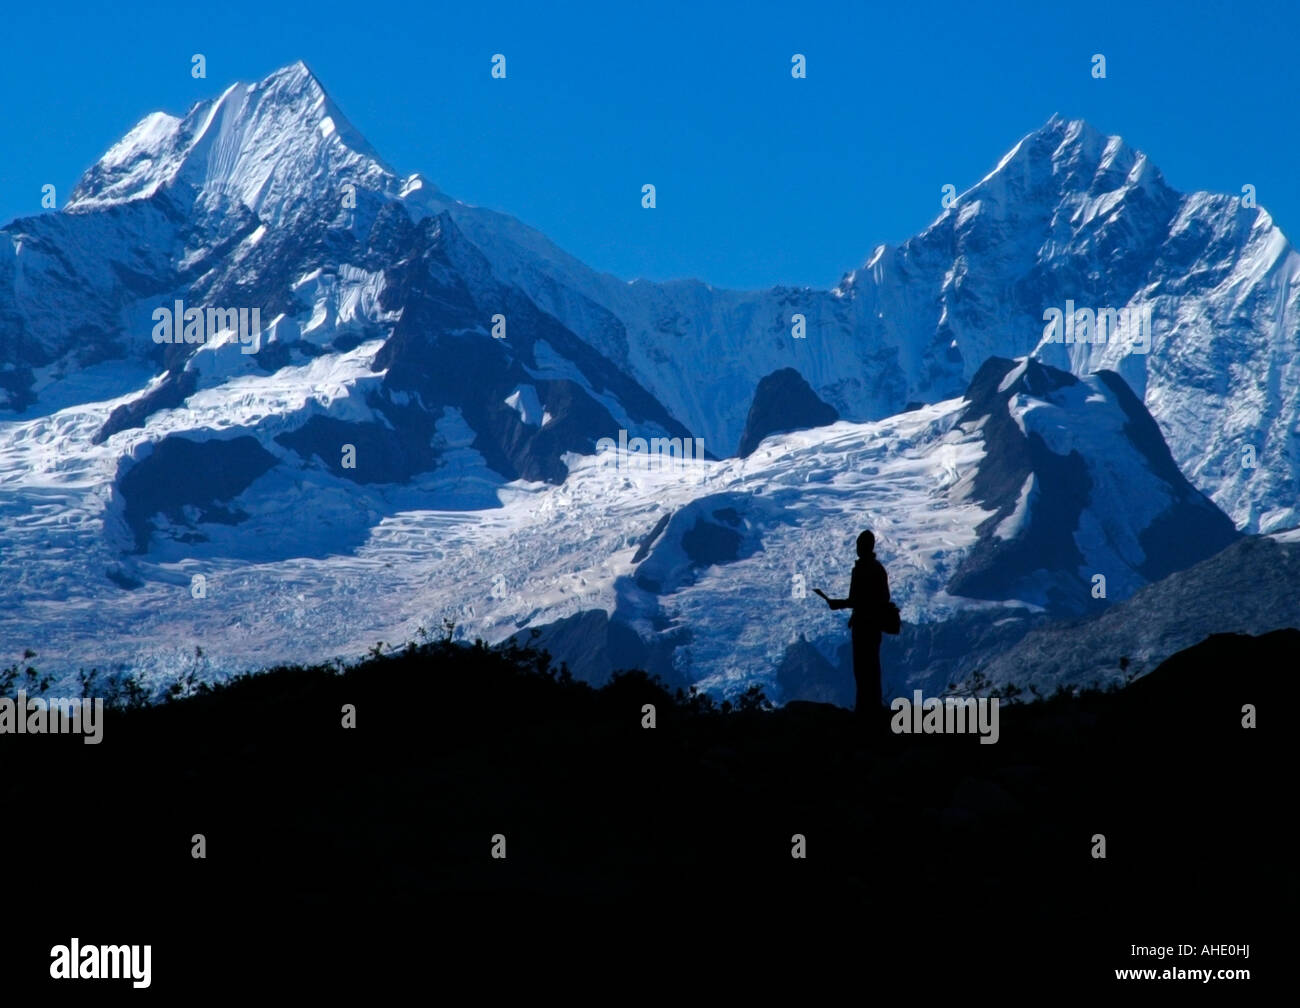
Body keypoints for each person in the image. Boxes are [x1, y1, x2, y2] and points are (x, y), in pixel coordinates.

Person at [813, 530, 891, 716]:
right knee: (872, 667)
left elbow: (855, 600)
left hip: (863, 626)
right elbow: (884, 597)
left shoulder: (861, 569)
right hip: (874, 626)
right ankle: (874, 708)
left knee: (862, 669)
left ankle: (864, 711)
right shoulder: (878, 568)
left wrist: (836, 603)